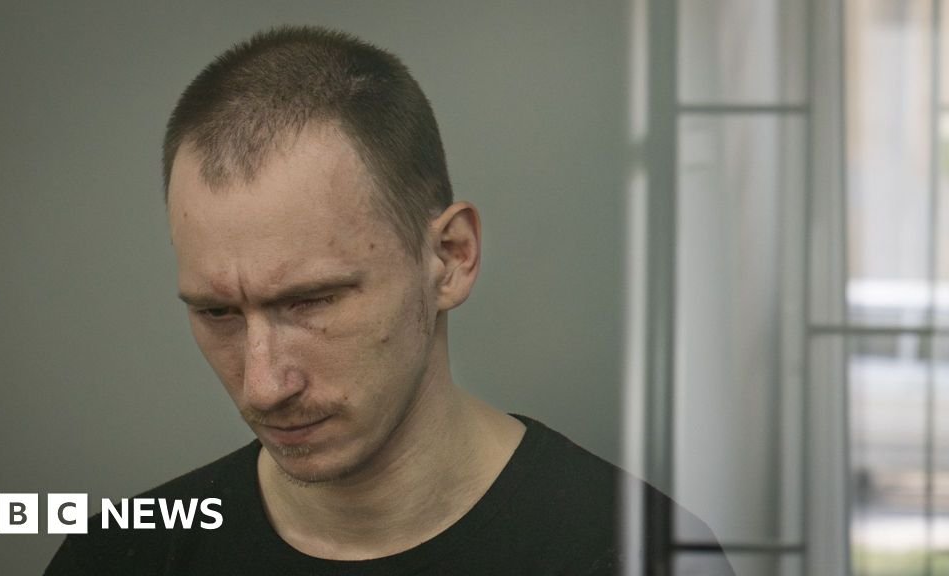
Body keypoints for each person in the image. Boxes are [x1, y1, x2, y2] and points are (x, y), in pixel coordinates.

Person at [45, 25, 732, 575]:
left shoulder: (635, 555)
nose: (263, 386)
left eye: (312, 301)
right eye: (217, 312)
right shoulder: (121, 554)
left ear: (450, 257)